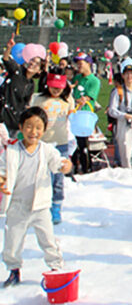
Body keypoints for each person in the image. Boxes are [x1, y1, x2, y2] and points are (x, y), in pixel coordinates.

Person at [0, 107, 73, 287]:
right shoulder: (11, 151)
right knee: (13, 240)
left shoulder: (46, 150)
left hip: (40, 205)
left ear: (44, 129)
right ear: (21, 127)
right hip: (17, 204)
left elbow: (58, 163)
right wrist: (2, 180)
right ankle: (13, 269)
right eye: (29, 127)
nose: (33, 132)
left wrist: (66, 165)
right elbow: (2, 171)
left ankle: (55, 268)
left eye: (38, 127)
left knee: (48, 239)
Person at [30, 67, 75, 224]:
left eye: (59, 86)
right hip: (43, 143)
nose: (56, 89)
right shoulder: (39, 100)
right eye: (53, 85)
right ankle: (41, 206)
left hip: (61, 143)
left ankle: (56, 207)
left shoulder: (67, 99)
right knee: (41, 176)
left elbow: (73, 115)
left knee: (58, 177)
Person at [0, 33, 45, 136]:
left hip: (14, 122)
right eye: (32, 60)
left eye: (37, 63)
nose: (32, 63)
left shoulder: (31, 84)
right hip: (2, 117)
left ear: (39, 71)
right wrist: (9, 48)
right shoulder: (17, 70)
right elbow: (6, 60)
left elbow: (25, 104)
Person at [71, 52, 101, 174]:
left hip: (85, 116)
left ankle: (86, 168)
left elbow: (89, 96)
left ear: (88, 64)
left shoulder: (94, 80)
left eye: (81, 63)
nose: (78, 66)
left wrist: (82, 99)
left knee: (83, 144)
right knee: (73, 143)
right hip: (74, 114)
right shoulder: (77, 78)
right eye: (77, 63)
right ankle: (74, 167)